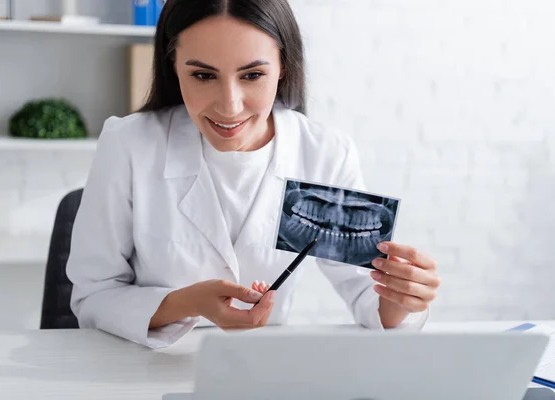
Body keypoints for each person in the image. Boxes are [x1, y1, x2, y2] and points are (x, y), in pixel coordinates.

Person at [66, 0, 441, 349]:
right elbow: (93, 296)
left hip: (261, 370)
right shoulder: (129, 143)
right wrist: (187, 302)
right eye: (202, 75)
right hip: (138, 368)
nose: (229, 106)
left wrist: (402, 296)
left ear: (284, 67)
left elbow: (367, 296)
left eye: (252, 75)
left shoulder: (324, 153)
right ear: (173, 67)